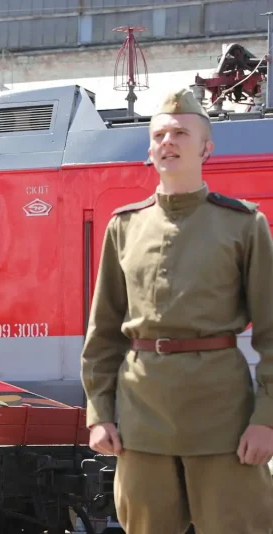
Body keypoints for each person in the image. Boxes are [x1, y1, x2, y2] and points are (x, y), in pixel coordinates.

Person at [80, 87, 273, 534]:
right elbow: (103, 332)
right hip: (141, 420)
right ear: (150, 149)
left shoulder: (243, 224)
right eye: (160, 134)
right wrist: (100, 414)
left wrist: (266, 420)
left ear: (206, 147)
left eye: (181, 133)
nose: (168, 141)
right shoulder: (124, 226)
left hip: (223, 418)